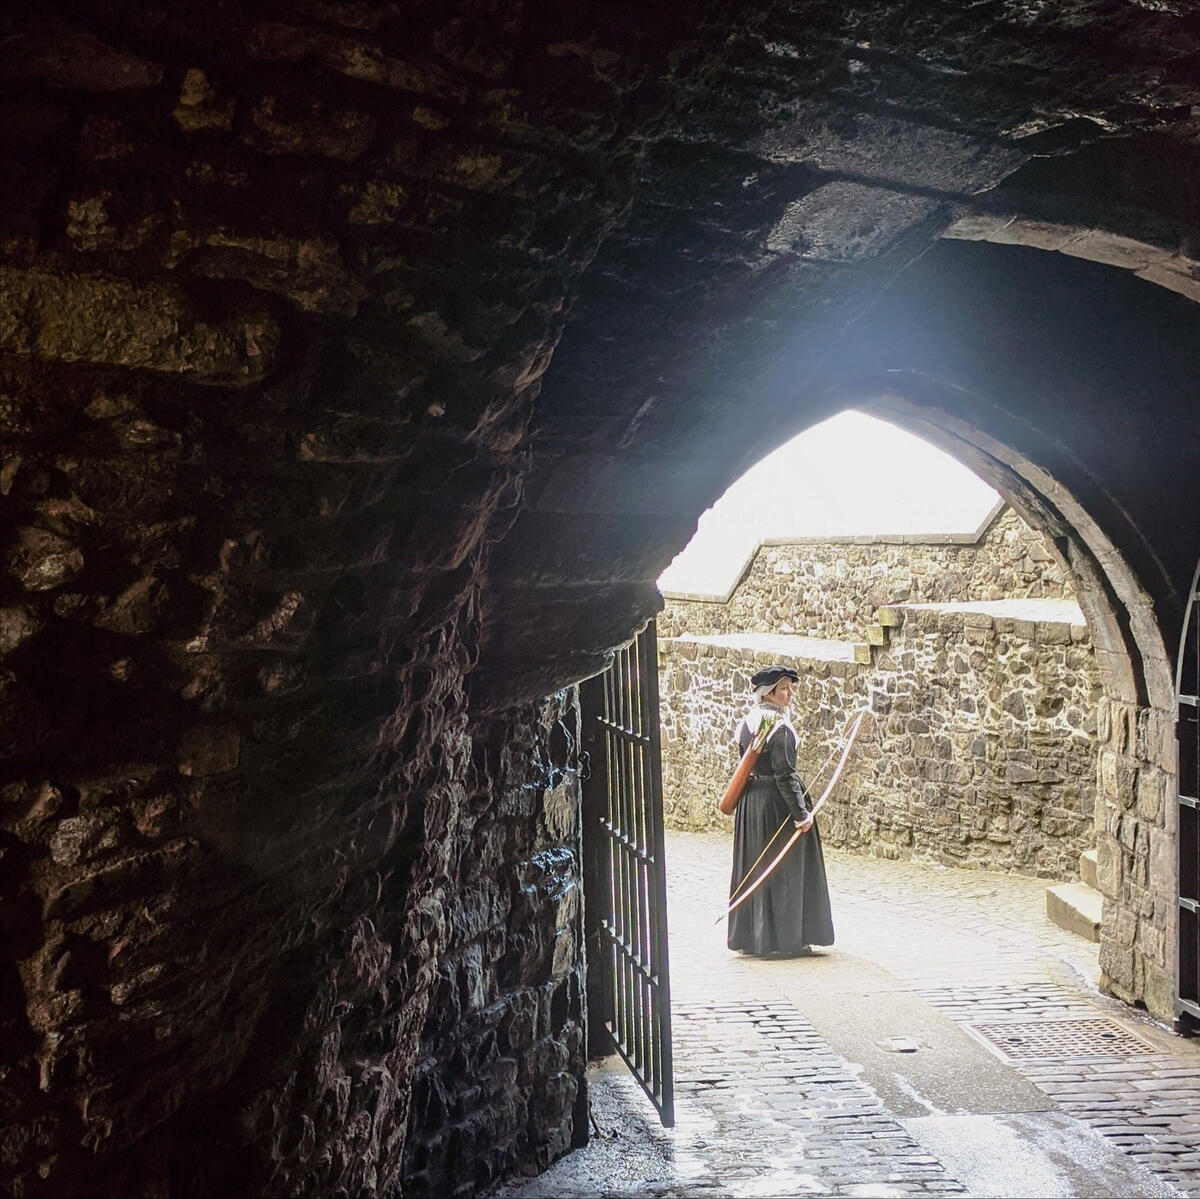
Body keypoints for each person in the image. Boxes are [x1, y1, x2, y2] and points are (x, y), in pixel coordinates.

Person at [727, 664, 834, 956]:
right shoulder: (780, 727)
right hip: (776, 806)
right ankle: (787, 940)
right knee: (784, 869)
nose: (789, 694)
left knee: (757, 867)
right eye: (783, 689)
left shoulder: (748, 721)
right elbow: (785, 774)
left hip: (752, 804)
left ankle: (754, 938)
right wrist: (801, 815)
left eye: (789, 688)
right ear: (768, 694)